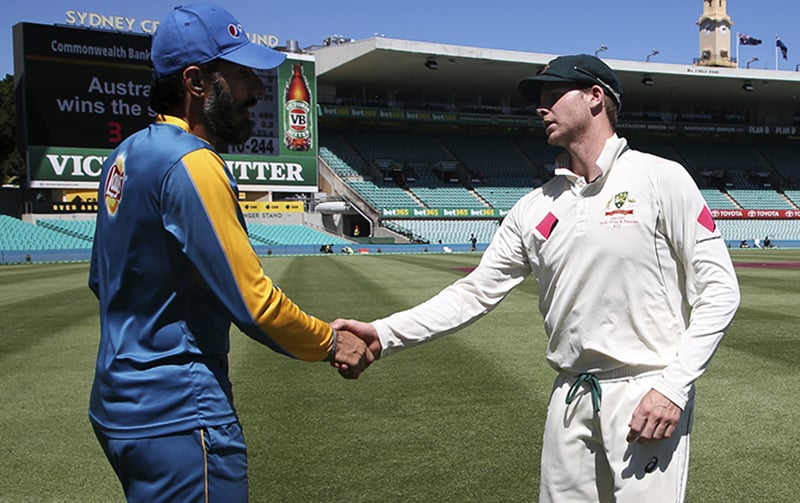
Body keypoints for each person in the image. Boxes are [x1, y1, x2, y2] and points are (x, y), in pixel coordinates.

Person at [333, 54, 740, 502]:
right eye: (539, 100)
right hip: (570, 394)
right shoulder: (534, 207)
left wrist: (673, 387)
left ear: (595, 98)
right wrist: (383, 334)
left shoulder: (660, 179)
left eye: (552, 96)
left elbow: (719, 291)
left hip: (647, 392)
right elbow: (474, 292)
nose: (540, 109)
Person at [88, 4, 373, 502]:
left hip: (119, 405)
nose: (259, 91)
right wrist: (329, 342)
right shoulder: (193, 164)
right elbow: (254, 302)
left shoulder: (125, 155)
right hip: (179, 410)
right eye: (242, 75)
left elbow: (101, 280)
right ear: (196, 82)